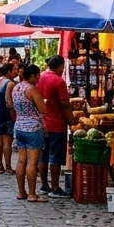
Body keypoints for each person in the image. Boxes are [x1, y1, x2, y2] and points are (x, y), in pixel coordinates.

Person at [36, 55, 77, 199]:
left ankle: (44, 185)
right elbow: (65, 104)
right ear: (60, 66)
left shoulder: (39, 77)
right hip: (56, 123)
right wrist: (72, 121)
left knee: (43, 155)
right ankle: (55, 187)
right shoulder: (59, 82)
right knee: (55, 156)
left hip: (42, 123)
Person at [9, 64, 47, 202]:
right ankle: (32, 194)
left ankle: (21, 192)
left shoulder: (16, 87)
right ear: (32, 75)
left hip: (19, 127)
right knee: (32, 163)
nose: (38, 79)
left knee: (21, 161)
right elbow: (42, 109)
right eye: (38, 76)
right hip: (33, 128)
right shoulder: (32, 89)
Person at [0, 61, 17, 175]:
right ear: (9, 72)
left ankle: (0, 167)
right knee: (7, 142)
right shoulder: (10, 83)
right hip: (6, 115)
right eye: (14, 70)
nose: (16, 72)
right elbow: (10, 103)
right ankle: (8, 167)